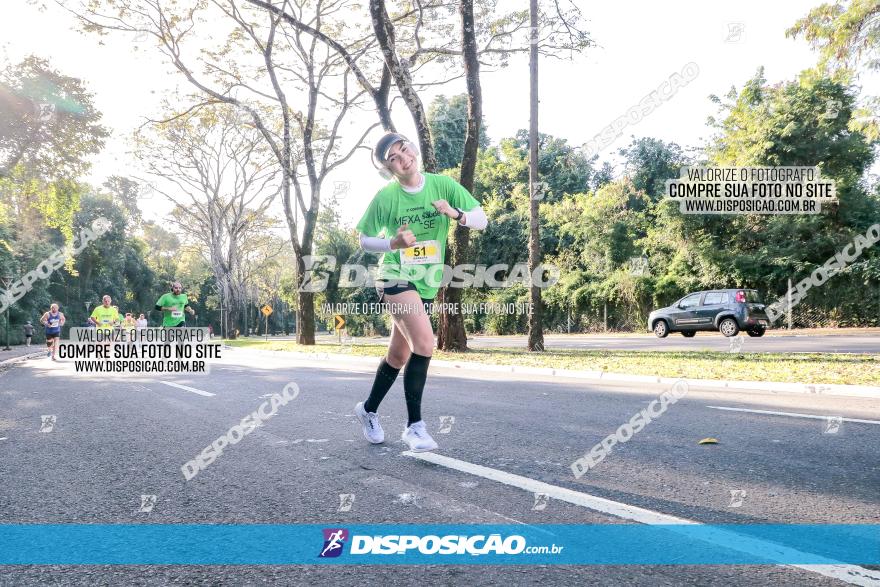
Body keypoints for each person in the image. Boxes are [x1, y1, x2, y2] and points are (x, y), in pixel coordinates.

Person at [353, 132, 487, 452]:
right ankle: (415, 428)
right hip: (394, 277)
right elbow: (364, 239)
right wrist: (393, 244)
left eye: (404, 149)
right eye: (394, 159)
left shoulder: (442, 185)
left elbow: (481, 218)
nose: (404, 158)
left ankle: (368, 410)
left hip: (426, 281)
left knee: (399, 355)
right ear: (390, 169)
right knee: (426, 343)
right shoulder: (387, 197)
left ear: (412, 148)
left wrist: (456, 214)